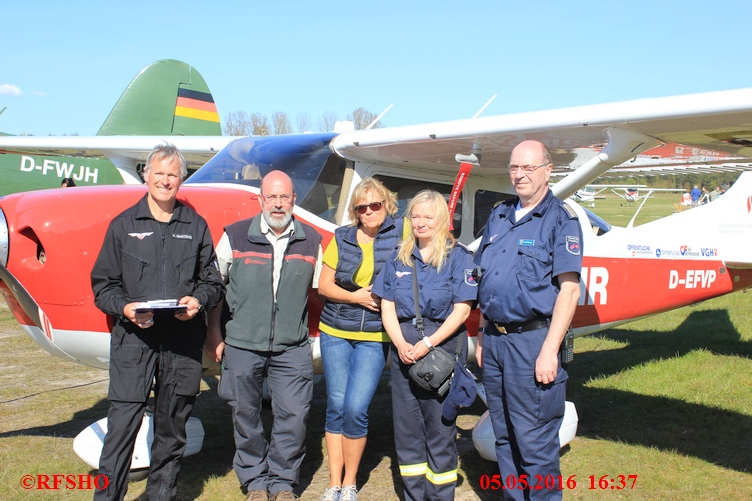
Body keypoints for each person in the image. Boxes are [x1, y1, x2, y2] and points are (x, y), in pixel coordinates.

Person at [90, 143, 224, 501]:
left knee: (172, 428)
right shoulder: (123, 225)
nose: (165, 181)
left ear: (182, 179)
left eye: (172, 174)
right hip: (135, 341)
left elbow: (212, 281)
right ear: (146, 176)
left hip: (182, 342)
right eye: (159, 173)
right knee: (121, 428)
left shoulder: (195, 226)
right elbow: (103, 286)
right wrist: (126, 307)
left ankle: (161, 496)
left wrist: (198, 301)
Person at [474, 140, 582, 501]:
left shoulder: (560, 220)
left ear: (548, 170)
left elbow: (569, 292)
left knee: (534, 442)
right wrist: (481, 333)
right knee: (503, 437)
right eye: (514, 168)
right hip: (495, 342)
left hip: (532, 343)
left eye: (528, 168)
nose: (519, 175)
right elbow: (485, 278)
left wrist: (550, 351)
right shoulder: (500, 214)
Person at [205, 170, 323, 501]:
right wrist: (214, 332)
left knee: (294, 417)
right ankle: (256, 481)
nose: (277, 203)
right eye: (271, 197)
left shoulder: (311, 240)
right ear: (260, 199)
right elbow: (215, 289)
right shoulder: (235, 236)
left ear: (293, 200)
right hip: (242, 343)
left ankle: (283, 482)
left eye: (284, 196)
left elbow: (324, 290)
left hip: (292, 347)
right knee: (245, 414)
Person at [373, 190, 477, 501]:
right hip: (404, 350)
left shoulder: (459, 258)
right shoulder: (398, 257)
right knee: (406, 433)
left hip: (441, 351)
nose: (420, 223)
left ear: (442, 219)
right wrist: (401, 343)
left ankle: (440, 495)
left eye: (428, 217)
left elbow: (463, 310)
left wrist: (427, 343)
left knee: (440, 431)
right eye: (415, 216)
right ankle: (413, 495)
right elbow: (386, 305)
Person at [317, 178, 404, 501]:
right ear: (355, 211)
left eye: (375, 205)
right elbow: (325, 286)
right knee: (336, 405)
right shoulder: (341, 238)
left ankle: (350, 482)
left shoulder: (403, 232)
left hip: (375, 335)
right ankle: (333, 483)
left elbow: (434, 245)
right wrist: (357, 298)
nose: (369, 212)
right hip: (336, 332)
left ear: (386, 204)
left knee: (356, 407)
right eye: (361, 207)